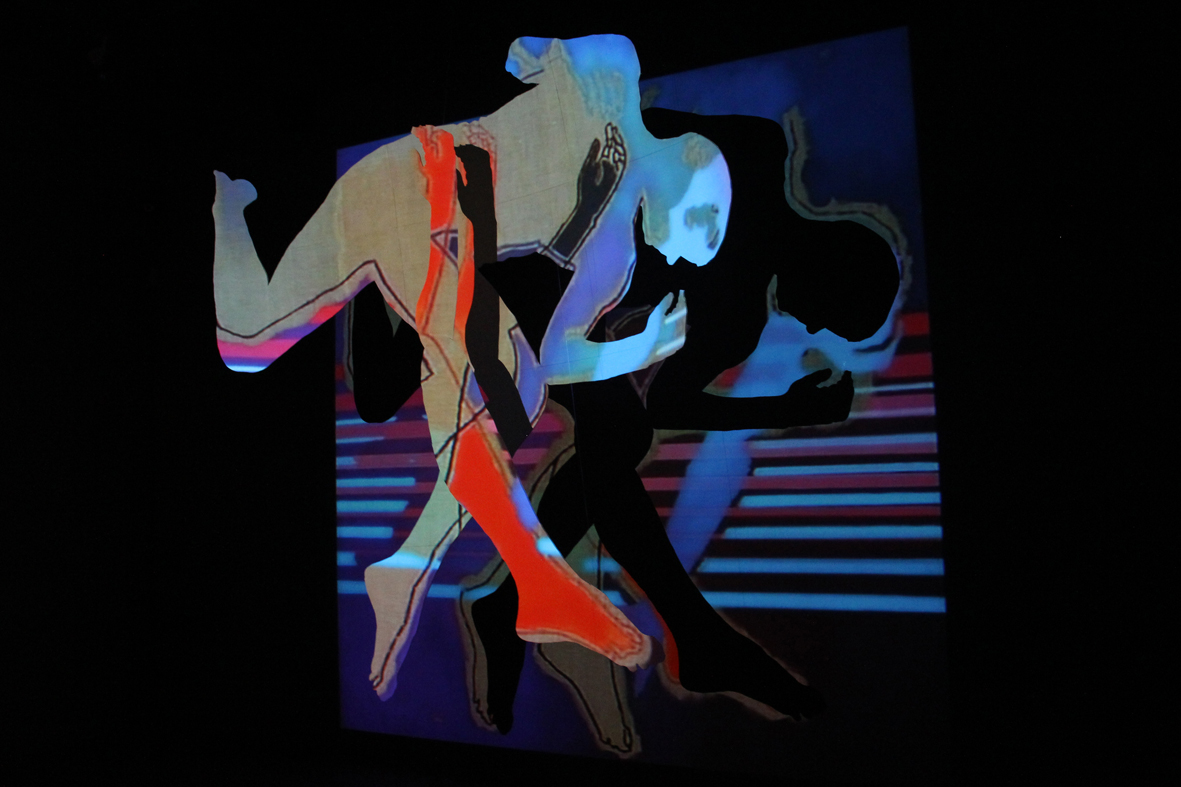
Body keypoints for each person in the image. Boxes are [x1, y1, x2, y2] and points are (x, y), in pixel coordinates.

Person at [211, 35, 732, 693]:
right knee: (246, 346)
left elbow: (556, 355)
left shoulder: (615, 261)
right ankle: (520, 579)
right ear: (691, 162)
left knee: (518, 383)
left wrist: (636, 350)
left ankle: (421, 565)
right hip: (413, 184)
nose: (686, 256)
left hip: (450, 237)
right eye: (706, 227)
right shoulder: (616, 76)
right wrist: (570, 66)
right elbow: (521, 53)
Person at [463, 108, 900, 730]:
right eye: (828, 315)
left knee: (619, 430)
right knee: (616, 428)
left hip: (547, 300)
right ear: (832, 265)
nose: (808, 325)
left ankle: (519, 606)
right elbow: (620, 121)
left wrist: (786, 409)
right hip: (521, 229)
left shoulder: (738, 318)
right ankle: (692, 637)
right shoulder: (755, 152)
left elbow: (665, 405)